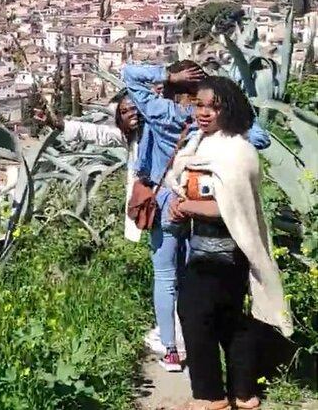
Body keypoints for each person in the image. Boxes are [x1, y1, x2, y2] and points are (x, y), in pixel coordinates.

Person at [121, 61, 271, 372]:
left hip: (165, 203)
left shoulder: (161, 112)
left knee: (165, 276)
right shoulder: (212, 120)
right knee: (196, 276)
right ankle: (202, 341)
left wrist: (167, 75)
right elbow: (261, 139)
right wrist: (230, 106)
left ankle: (171, 351)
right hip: (201, 205)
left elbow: (129, 75)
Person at [165, 76, 292, 410]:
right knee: (229, 321)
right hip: (203, 251)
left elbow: (230, 206)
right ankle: (243, 393)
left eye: (213, 107)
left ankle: (212, 395)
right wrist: (182, 206)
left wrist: (188, 206)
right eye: (200, 105)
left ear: (229, 109)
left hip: (227, 253)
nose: (204, 113)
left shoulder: (236, 151)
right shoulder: (200, 146)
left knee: (197, 317)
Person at [37, 95, 144, 242]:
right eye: (124, 112)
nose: (130, 114)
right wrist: (58, 123)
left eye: (133, 108)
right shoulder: (130, 138)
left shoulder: (158, 133)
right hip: (144, 205)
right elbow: (97, 133)